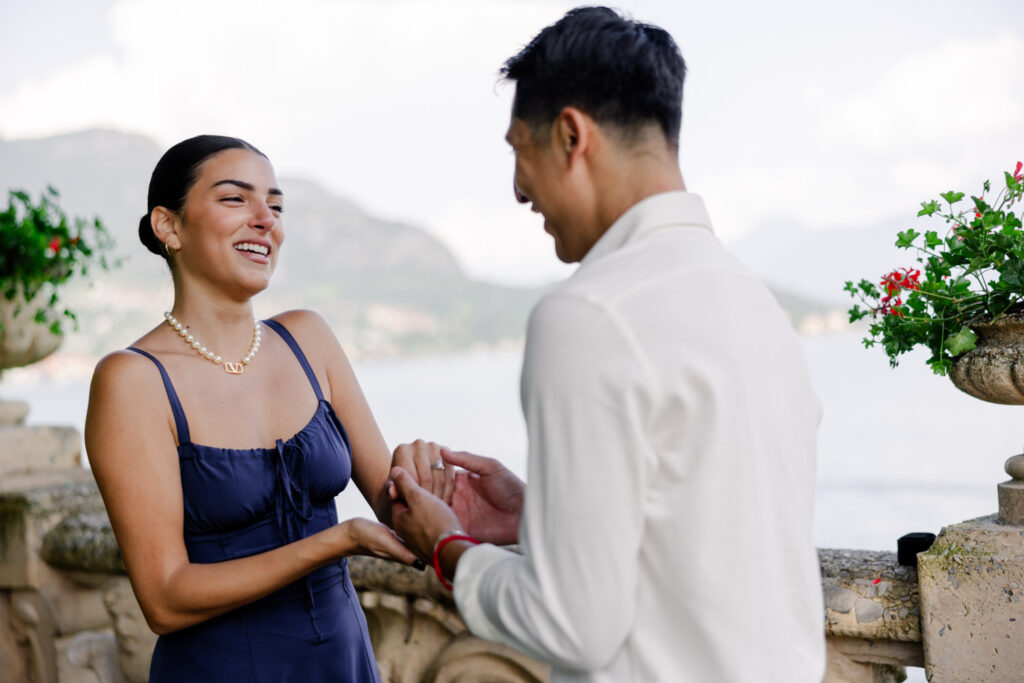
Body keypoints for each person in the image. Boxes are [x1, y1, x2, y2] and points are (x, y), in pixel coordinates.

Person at [388, 7, 826, 682]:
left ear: (571, 135)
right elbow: (711, 529)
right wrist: (541, 515)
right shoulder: (755, 304)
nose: (518, 189)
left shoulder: (589, 314)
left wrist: (446, 547)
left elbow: (572, 625)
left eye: (518, 149)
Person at [84, 135, 450, 682]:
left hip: (343, 660)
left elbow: (394, 507)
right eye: (236, 199)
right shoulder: (132, 380)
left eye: (275, 206)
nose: (265, 220)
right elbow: (163, 599)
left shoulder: (309, 339)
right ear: (168, 226)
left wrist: (428, 480)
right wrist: (337, 540)